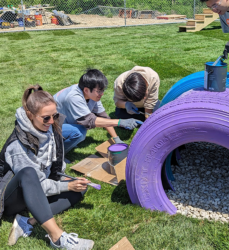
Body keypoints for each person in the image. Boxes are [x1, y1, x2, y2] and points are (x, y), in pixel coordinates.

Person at [0, 85, 94, 249]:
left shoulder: (51, 127)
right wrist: (64, 185)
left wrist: (67, 181)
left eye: (55, 115)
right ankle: (57, 237)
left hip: (39, 187)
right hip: (12, 197)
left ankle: (27, 221)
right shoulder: (17, 145)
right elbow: (37, 182)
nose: (52, 121)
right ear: (30, 115)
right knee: (28, 173)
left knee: (80, 187)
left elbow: (54, 163)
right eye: (46, 118)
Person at [54, 69, 142, 155]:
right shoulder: (73, 97)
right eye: (99, 91)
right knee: (79, 132)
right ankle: (57, 156)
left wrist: (116, 139)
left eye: (103, 90)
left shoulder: (92, 95)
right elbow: (90, 121)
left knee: (80, 128)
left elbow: (103, 117)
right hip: (49, 127)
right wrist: (120, 122)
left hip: (62, 122)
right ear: (86, 90)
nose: (102, 94)